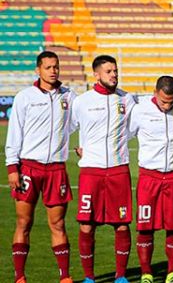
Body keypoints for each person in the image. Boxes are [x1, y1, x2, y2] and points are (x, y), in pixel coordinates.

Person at [5, 51, 77, 283]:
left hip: (56, 169)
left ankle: (65, 277)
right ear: (38, 70)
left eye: (56, 66)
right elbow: (14, 133)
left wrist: (83, 143)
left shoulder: (70, 96)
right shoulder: (25, 97)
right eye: (48, 67)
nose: (53, 71)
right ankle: (20, 277)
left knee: (58, 223)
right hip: (29, 168)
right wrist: (12, 168)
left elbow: (82, 123)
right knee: (23, 222)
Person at [71, 55, 137, 283]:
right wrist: (78, 148)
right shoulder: (82, 101)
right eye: (109, 71)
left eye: (116, 71)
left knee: (121, 224)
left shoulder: (128, 99)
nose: (114, 75)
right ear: (97, 74)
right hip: (91, 170)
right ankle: (89, 277)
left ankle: (120, 276)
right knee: (87, 225)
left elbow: (142, 121)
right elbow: (66, 127)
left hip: (119, 170)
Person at [129, 76, 173, 283]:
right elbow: (123, 135)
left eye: (171, 102)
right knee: (145, 226)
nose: (167, 105)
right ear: (155, 93)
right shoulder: (140, 111)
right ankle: (146, 273)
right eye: (163, 101)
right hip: (149, 176)